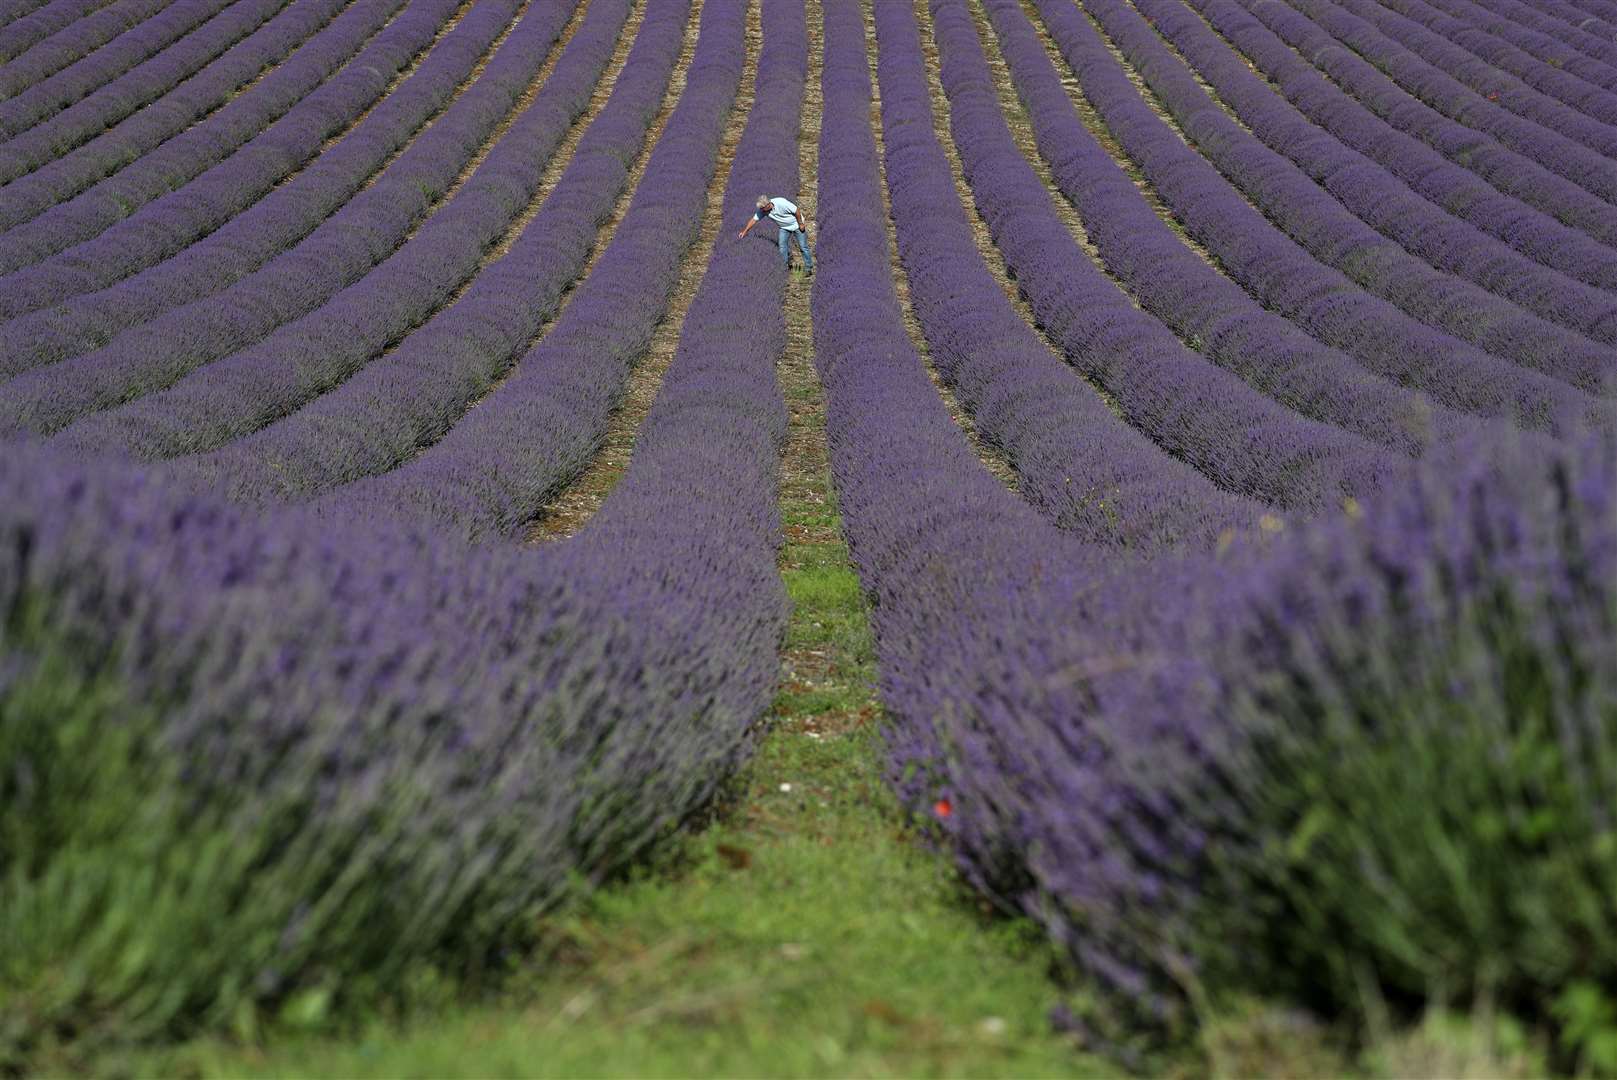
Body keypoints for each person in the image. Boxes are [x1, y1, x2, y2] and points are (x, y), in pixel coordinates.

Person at [737, 194, 813, 274]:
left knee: (803, 247)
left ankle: (808, 268)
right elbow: (753, 220)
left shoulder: (781, 202)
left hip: (796, 224)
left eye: (762, 208)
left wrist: (800, 223)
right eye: (761, 209)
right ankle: (784, 267)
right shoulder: (763, 210)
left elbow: (796, 210)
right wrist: (744, 232)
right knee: (782, 246)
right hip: (784, 227)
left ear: (768, 205)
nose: (761, 210)